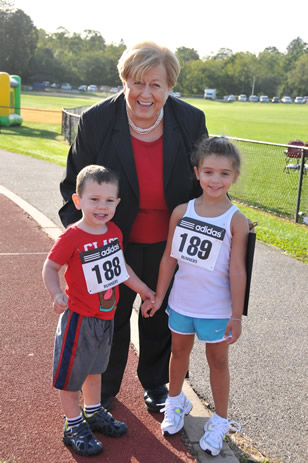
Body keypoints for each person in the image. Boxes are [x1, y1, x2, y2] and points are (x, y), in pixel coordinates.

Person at [58, 41, 208, 412]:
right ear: (124, 81)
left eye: (156, 84)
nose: (145, 93)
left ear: (169, 86)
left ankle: (156, 385)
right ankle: (103, 393)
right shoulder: (97, 120)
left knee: (159, 315)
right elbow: (71, 186)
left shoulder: (190, 121)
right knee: (110, 317)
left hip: (169, 244)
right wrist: (83, 243)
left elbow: (203, 181)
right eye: (137, 82)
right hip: (111, 243)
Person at [141, 136, 249, 457]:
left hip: (216, 309)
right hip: (182, 303)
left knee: (217, 361)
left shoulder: (236, 220)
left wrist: (236, 316)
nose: (216, 180)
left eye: (224, 174)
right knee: (178, 352)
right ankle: (175, 402)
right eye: (209, 172)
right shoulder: (181, 212)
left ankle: (219, 420)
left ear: (234, 177)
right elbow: (169, 258)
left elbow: (238, 271)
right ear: (197, 172)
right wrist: (159, 297)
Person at [42, 165, 155, 457]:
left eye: (108, 200)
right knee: (71, 376)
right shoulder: (72, 236)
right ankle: (73, 424)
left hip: (105, 318)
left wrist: (143, 289)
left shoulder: (113, 231)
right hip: (78, 319)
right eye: (94, 199)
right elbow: (51, 266)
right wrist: (56, 293)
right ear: (77, 201)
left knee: (95, 370)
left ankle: (93, 412)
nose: (101, 207)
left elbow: (121, 269)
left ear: (118, 203)